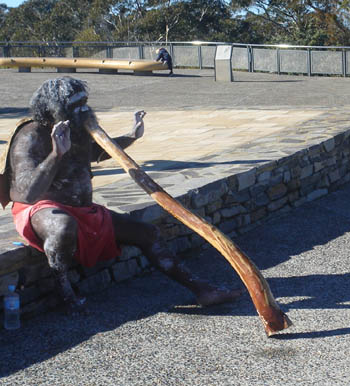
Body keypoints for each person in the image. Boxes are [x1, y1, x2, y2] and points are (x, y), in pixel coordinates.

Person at [4, 77, 241, 313]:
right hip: (40, 210)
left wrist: (132, 136)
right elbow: (26, 193)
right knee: (62, 226)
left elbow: (97, 151)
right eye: (76, 105)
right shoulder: (31, 135)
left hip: (84, 211)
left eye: (85, 101)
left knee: (148, 233)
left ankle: (202, 290)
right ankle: (66, 294)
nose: (85, 109)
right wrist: (56, 154)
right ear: (54, 108)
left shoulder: (78, 126)